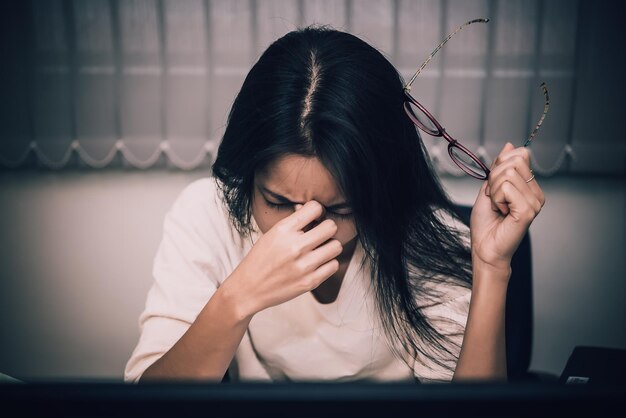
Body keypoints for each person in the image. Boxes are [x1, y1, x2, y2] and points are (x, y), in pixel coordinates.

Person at [124, 25, 545, 383]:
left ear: (380, 190)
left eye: (341, 210)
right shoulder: (207, 213)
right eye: (277, 201)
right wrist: (237, 298)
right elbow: (150, 404)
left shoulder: (421, 240)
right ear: (248, 174)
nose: (307, 229)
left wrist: (491, 268)